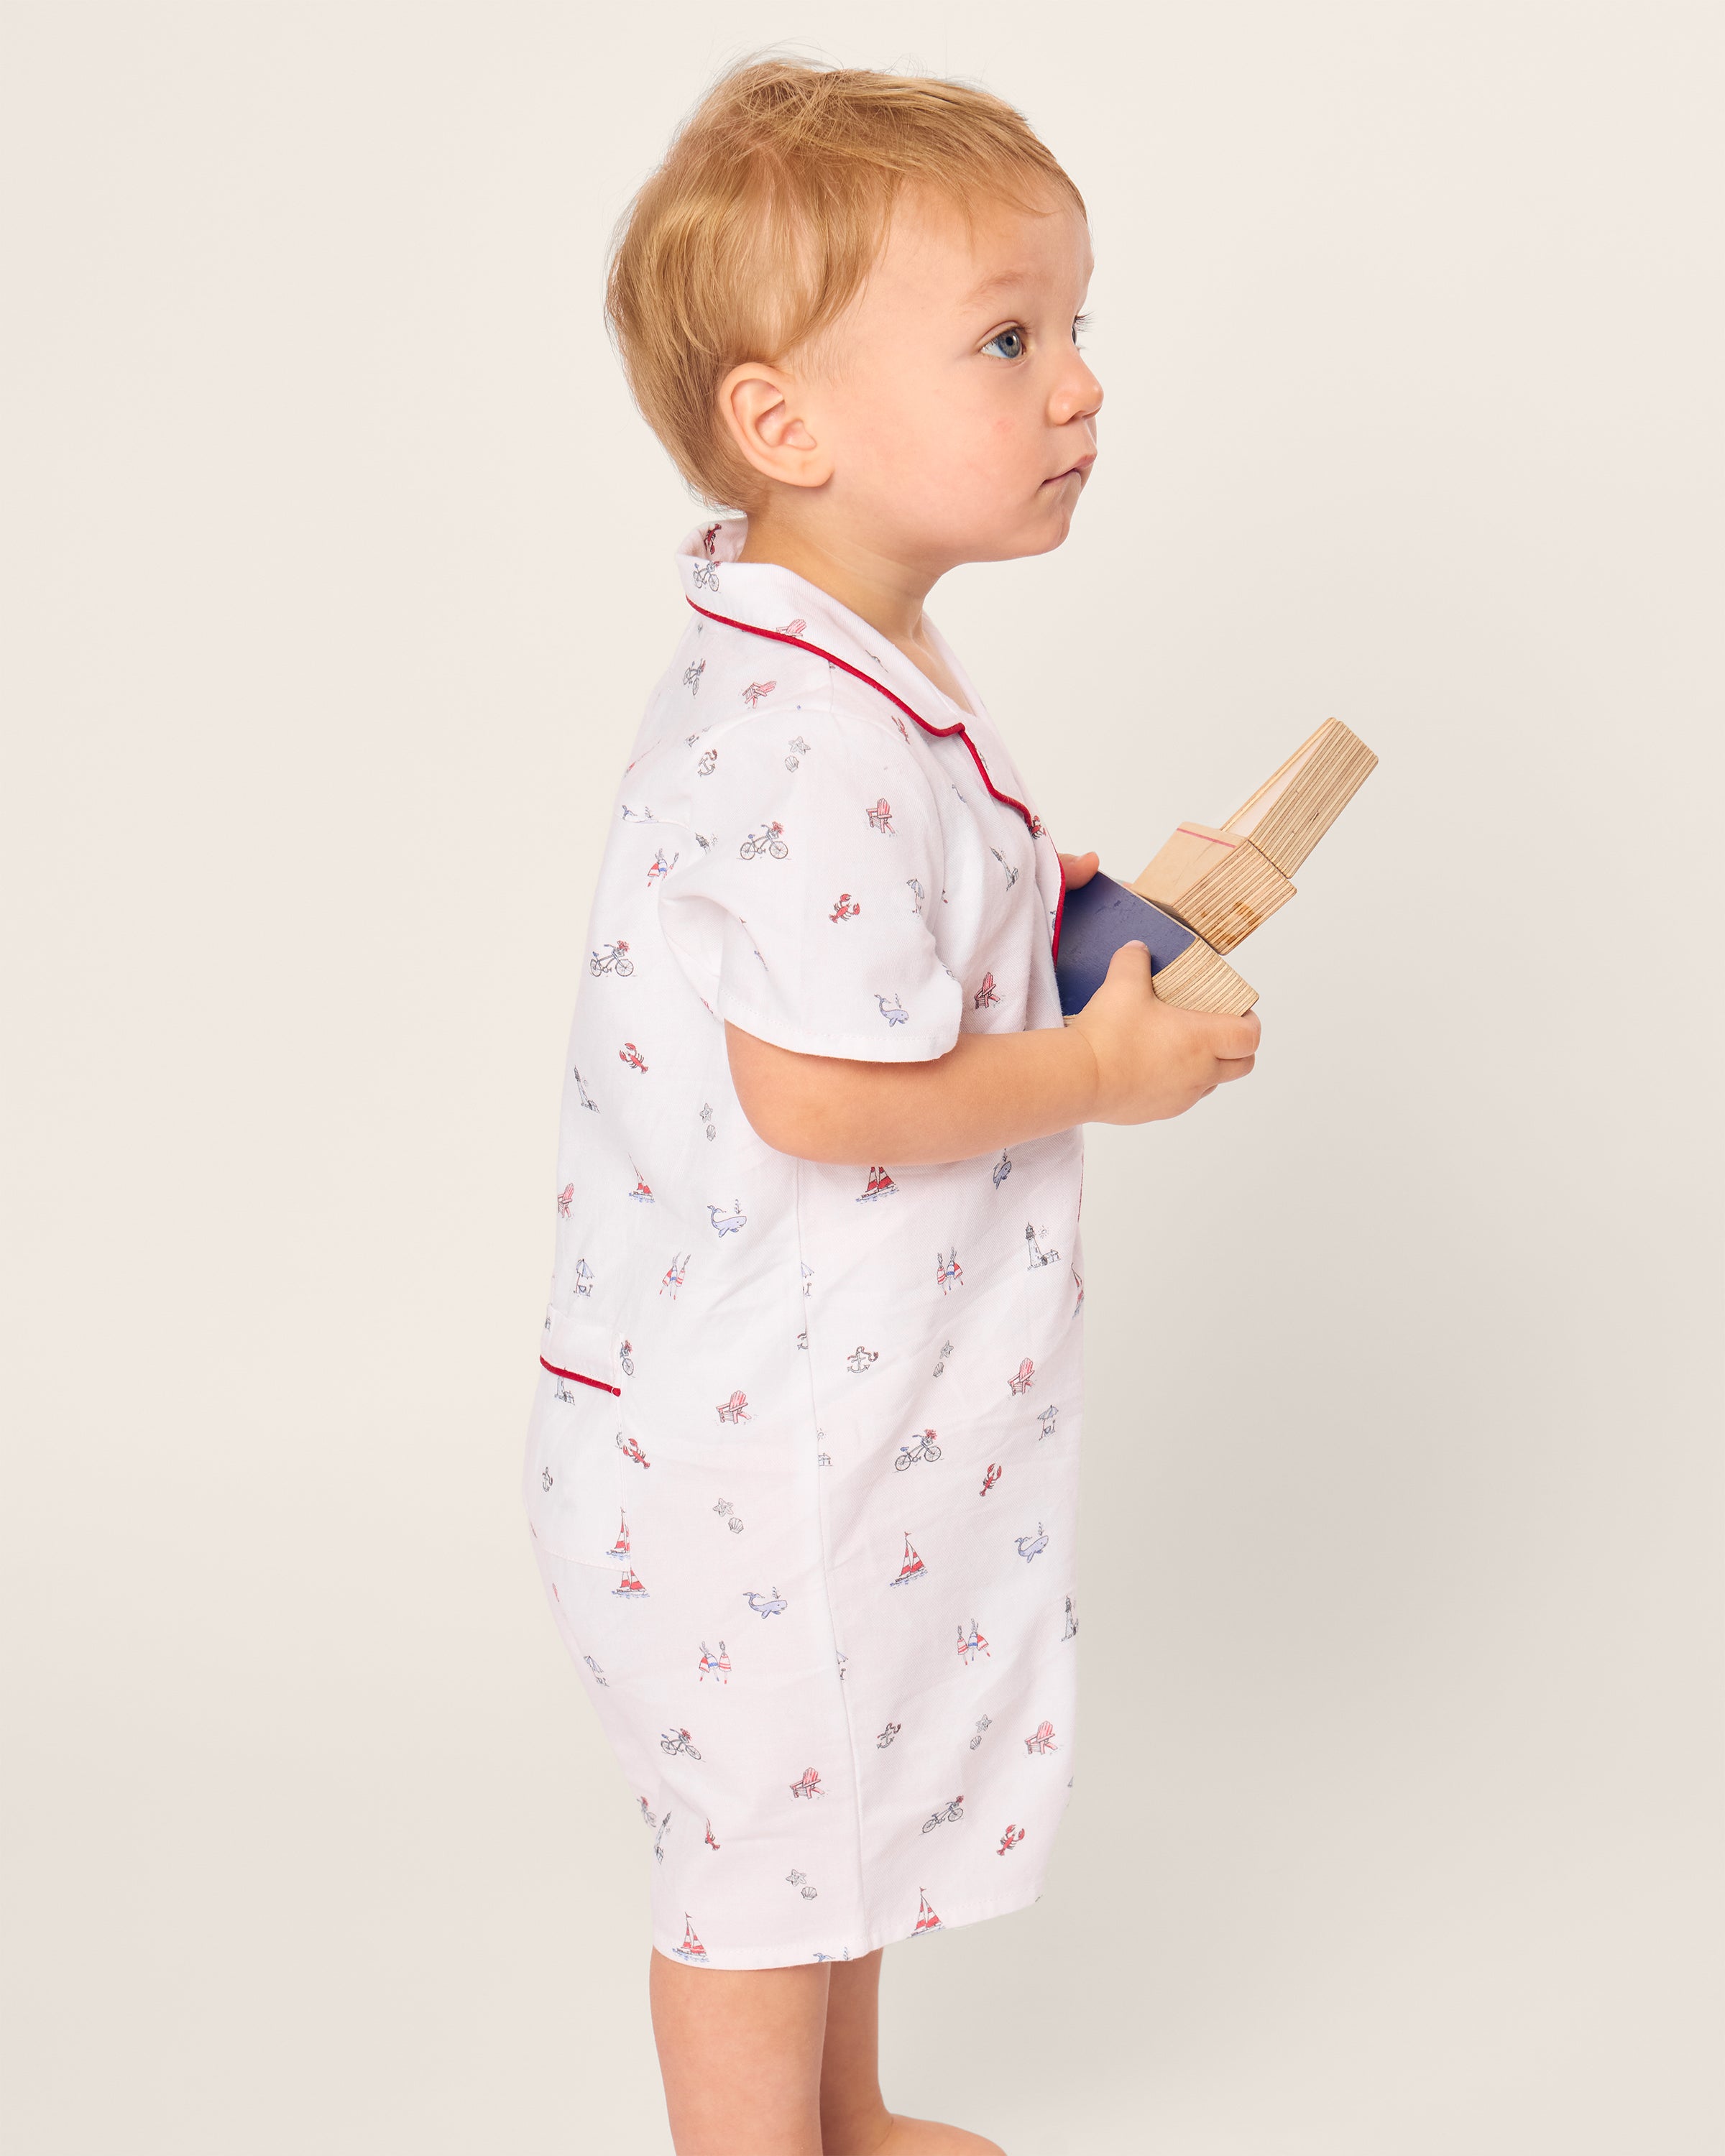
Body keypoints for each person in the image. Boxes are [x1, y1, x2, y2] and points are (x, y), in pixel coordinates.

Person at [520, 57, 1260, 2156]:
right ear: (784, 422)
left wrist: (1104, 923)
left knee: (828, 1806)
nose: (1080, 388)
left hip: (819, 1411)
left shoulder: (865, 671)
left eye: (1080, 329)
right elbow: (829, 1090)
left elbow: (920, 956)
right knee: (766, 1854)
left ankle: (841, 2122)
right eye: (1011, 340)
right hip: (750, 1441)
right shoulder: (802, 736)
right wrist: (1105, 1071)